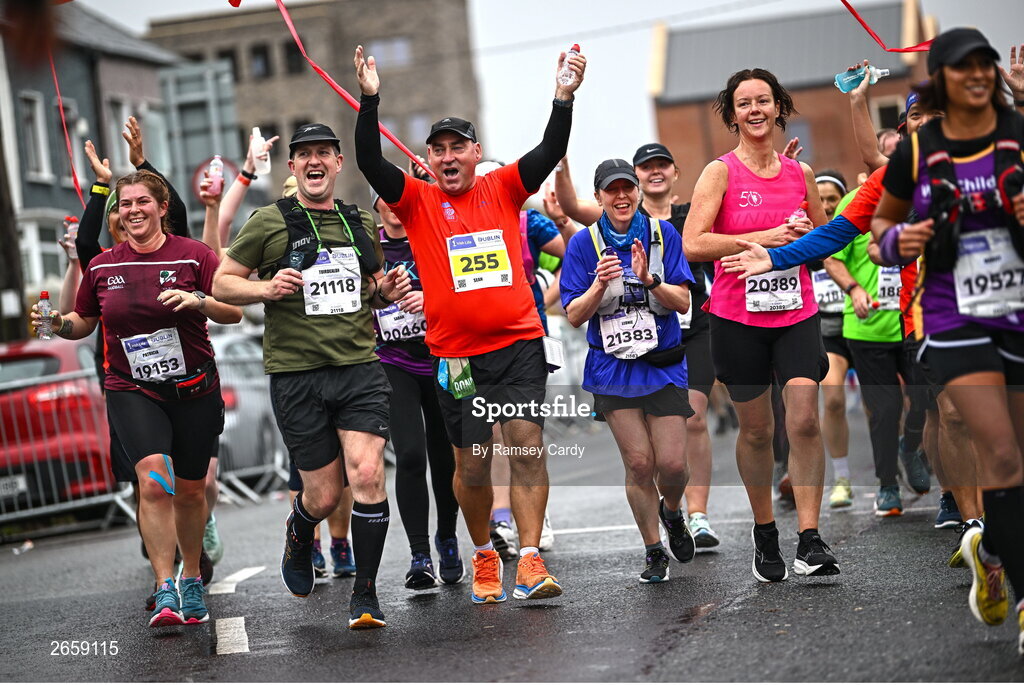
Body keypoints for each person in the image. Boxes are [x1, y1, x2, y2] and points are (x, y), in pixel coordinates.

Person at [353, 44, 585, 605]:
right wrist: (369, 98)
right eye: (440, 149)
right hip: (455, 355)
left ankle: (528, 559)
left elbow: (550, 147)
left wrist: (563, 98)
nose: (449, 155)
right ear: (430, 160)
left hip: (519, 343)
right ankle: (482, 549)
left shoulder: (503, 185)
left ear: (476, 153)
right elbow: (367, 160)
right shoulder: (416, 201)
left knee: (528, 446)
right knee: (472, 465)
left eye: (459, 146)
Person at [213, 122, 411, 630]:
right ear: (293, 166)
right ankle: (300, 531)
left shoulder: (358, 223)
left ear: (339, 162)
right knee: (323, 496)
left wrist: (385, 289)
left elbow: (371, 289)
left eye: (324, 153)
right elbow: (221, 284)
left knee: (366, 475)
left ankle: (365, 593)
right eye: (305, 155)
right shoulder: (268, 222)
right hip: (297, 375)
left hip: (358, 369)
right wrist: (265, 289)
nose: (315, 162)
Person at [32, 170, 242, 627]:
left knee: (189, 491)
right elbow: (83, 321)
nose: (133, 211)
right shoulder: (104, 266)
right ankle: (163, 584)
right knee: (153, 481)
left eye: (142, 202)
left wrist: (199, 301)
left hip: (193, 389)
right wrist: (55, 325)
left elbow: (234, 311)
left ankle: (191, 577)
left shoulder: (195, 256)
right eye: (125, 204)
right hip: (132, 388)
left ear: (162, 207)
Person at [871, 27, 1024, 654]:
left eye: (984, 65)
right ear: (941, 79)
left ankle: (988, 545)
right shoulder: (918, 151)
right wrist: (895, 241)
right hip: (956, 320)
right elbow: (881, 222)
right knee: (1006, 457)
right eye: (962, 69)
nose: (976, 76)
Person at [682, 67, 840, 582]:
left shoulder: (802, 175)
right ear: (732, 115)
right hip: (736, 317)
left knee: (805, 420)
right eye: (744, 103)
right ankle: (765, 529)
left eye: (764, 101)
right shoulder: (719, 172)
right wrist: (767, 237)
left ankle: (811, 537)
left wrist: (797, 240)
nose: (755, 110)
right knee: (756, 430)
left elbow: (825, 238)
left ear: (779, 108)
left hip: (796, 310)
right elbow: (693, 243)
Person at [554, 145, 720, 549]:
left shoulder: (665, 235)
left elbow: (684, 302)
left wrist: (649, 280)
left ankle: (673, 511)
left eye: (628, 187)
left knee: (673, 466)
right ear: (599, 197)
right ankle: (652, 549)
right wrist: (597, 285)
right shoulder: (582, 246)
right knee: (640, 463)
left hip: (662, 362)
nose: (622, 196)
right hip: (612, 367)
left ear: (639, 191)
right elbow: (574, 315)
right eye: (612, 191)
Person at [370, 188, 465, 589]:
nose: (393, 208)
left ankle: (447, 537)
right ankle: (419, 553)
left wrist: (429, 300)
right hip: (393, 363)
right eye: (385, 202)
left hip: (444, 357)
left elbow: (464, 287)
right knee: (409, 455)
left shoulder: (434, 235)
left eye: (398, 201)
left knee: (448, 457)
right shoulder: (367, 245)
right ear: (376, 206)